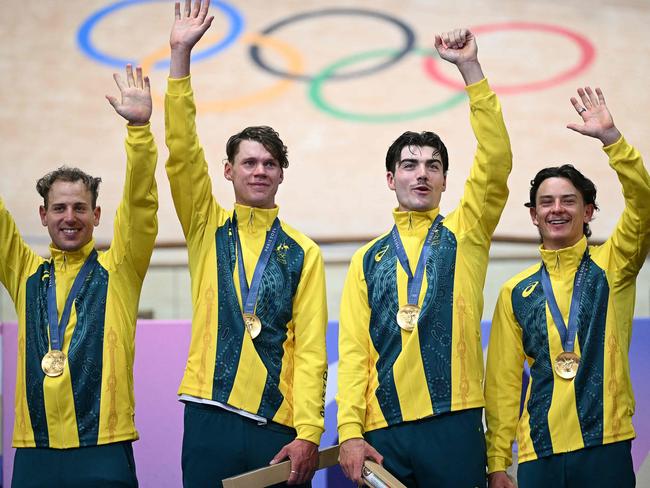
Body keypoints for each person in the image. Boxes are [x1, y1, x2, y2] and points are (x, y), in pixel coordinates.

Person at [337, 28, 512, 487]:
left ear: (445, 180)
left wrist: (470, 70)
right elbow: (354, 352)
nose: (421, 175)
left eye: (433, 166)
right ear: (390, 178)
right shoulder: (368, 259)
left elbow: (495, 161)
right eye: (410, 166)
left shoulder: (465, 232)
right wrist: (351, 431)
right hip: (383, 430)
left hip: (453, 422)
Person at [164, 1, 328, 486]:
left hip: (274, 426)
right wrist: (180, 57)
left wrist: (308, 430)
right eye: (250, 162)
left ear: (281, 174)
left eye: (270, 163)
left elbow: (312, 348)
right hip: (208, 414)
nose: (260, 170)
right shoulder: (205, 225)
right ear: (228, 170)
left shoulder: (303, 252)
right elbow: (182, 152)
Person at [1, 64, 158, 487]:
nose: (69, 218)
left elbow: (141, 206)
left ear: (96, 215)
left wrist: (140, 134)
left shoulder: (118, 270)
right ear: (43, 215)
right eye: (59, 208)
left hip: (103, 448)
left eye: (79, 208)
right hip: (35, 450)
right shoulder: (26, 273)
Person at [485, 87, 650, 488]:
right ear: (533, 215)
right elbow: (504, 383)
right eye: (546, 202)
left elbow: (644, 204)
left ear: (589, 210)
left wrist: (613, 142)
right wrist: (496, 462)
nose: (556, 209)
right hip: (538, 452)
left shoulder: (614, 265)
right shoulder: (515, 291)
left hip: (605, 444)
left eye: (568, 201)